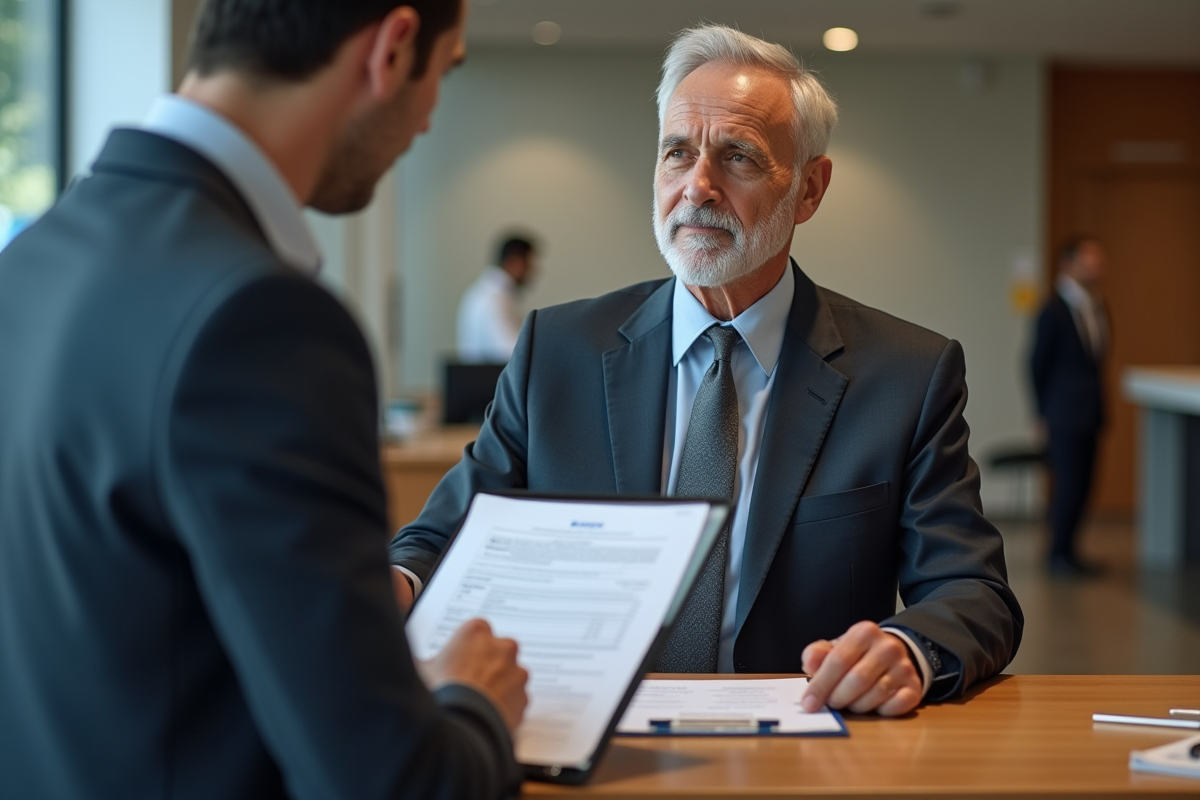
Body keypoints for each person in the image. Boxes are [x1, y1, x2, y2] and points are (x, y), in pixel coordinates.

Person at [389, 24, 1022, 718]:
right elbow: (443, 535)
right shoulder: (556, 351)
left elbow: (974, 593)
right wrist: (396, 584)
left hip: (804, 748)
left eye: (739, 157)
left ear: (809, 189)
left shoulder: (907, 375)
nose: (699, 187)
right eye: (678, 153)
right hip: (584, 735)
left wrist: (908, 651)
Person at [0, 2, 530, 798]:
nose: (428, 118)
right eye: (443, 72)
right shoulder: (261, 319)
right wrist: (475, 701)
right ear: (392, 50)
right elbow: (392, 784)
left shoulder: (36, 258)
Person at [1030, 236, 1109, 577]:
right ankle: (1058, 554)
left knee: (1086, 483)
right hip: (1063, 413)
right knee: (1069, 483)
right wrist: (1041, 412)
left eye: (1098, 260)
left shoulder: (1098, 306)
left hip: (1091, 411)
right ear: (1069, 264)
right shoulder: (1053, 310)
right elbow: (1036, 364)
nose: (1096, 267)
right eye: (1088, 260)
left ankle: (1071, 550)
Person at [457, 234, 538, 362]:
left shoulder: (486, 293)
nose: (533, 270)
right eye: (529, 263)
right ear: (514, 261)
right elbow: (513, 354)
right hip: (487, 380)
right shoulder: (494, 300)